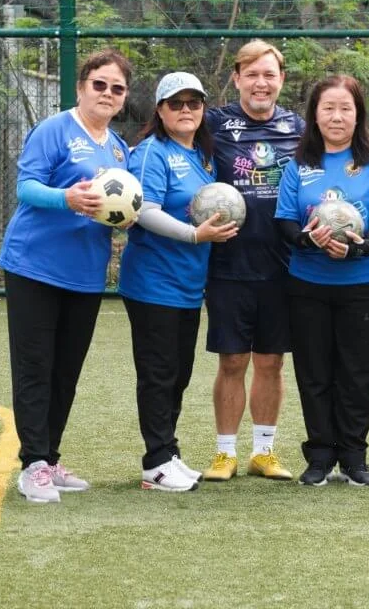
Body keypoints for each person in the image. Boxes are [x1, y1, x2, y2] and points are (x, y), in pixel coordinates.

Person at [0, 48, 133, 504]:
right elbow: (27, 187)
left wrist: (125, 217)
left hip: (85, 274)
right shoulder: (54, 129)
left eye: (117, 88)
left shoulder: (119, 149)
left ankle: (50, 458)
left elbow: (122, 207)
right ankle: (32, 465)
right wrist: (66, 198)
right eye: (100, 84)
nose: (108, 93)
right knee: (35, 367)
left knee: (65, 372)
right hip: (34, 266)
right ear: (81, 87)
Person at [274, 75, 369, 487]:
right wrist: (307, 240)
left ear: (358, 114)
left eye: (346, 108)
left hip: (362, 284)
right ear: (315, 114)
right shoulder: (299, 163)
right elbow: (285, 221)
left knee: (356, 374)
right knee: (314, 373)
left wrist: (364, 247)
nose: (337, 116)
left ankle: (354, 457)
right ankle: (320, 456)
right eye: (328, 108)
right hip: (307, 284)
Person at [118, 72, 239, 493]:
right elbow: (145, 210)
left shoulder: (203, 156)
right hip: (153, 283)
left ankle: (168, 454)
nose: (185, 110)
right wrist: (194, 235)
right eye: (176, 103)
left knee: (178, 374)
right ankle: (155, 462)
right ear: (160, 109)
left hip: (188, 286)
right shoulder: (152, 152)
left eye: (194, 103)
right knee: (158, 374)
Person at [202, 40, 304, 481]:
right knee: (231, 362)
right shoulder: (213, 124)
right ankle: (224, 453)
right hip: (228, 266)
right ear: (237, 78)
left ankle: (264, 452)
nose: (261, 83)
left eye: (269, 75)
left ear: (281, 80)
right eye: (252, 75)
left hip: (283, 266)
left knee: (271, 362)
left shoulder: (299, 128)